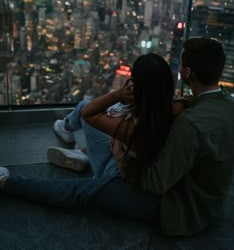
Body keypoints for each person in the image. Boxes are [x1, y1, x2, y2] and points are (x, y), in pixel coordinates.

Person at [1, 38, 234, 236]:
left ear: (186, 72)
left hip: (180, 209)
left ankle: (8, 183)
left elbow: (155, 183)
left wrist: (121, 155)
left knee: (84, 191)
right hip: (205, 196)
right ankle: (85, 154)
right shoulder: (223, 104)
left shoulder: (188, 123)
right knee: (89, 112)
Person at [0, 53, 175, 227]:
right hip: (124, 162)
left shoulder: (131, 128)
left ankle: (6, 182)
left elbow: (88, 113)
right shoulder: (175, 110)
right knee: (88, 109)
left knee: (71, 190)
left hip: (116, 175)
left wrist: (118, 95)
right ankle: (79, 148)